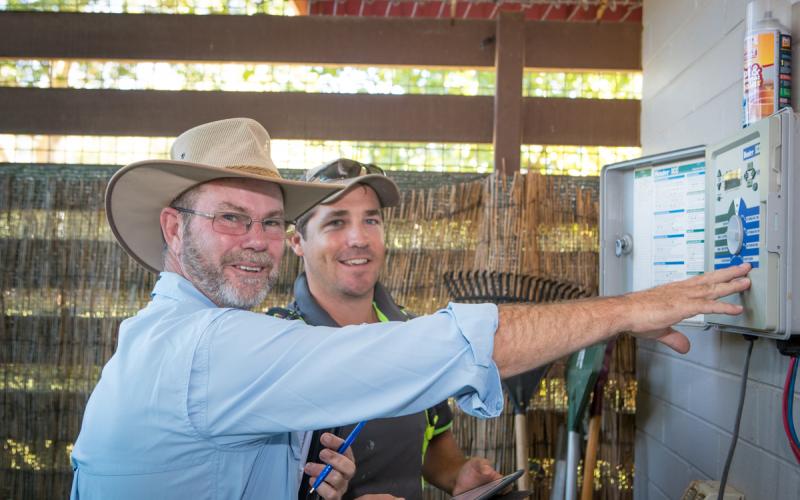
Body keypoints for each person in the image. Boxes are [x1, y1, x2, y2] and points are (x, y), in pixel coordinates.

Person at [70, 117, 752, 500]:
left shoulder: (187, 337)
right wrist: (624, 310)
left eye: (269, 221)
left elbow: (430, 433)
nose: (257, 243)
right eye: (230, 218)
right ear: (171, 228)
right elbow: (459, 345)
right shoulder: (216, 348)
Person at [269, 158, 502, 499]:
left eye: (371, 220)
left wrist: (457, 474)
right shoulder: (274, 345)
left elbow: (435, 439)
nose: (359, 238)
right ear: (297, 243)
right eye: (336, 222)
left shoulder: (413, 332)